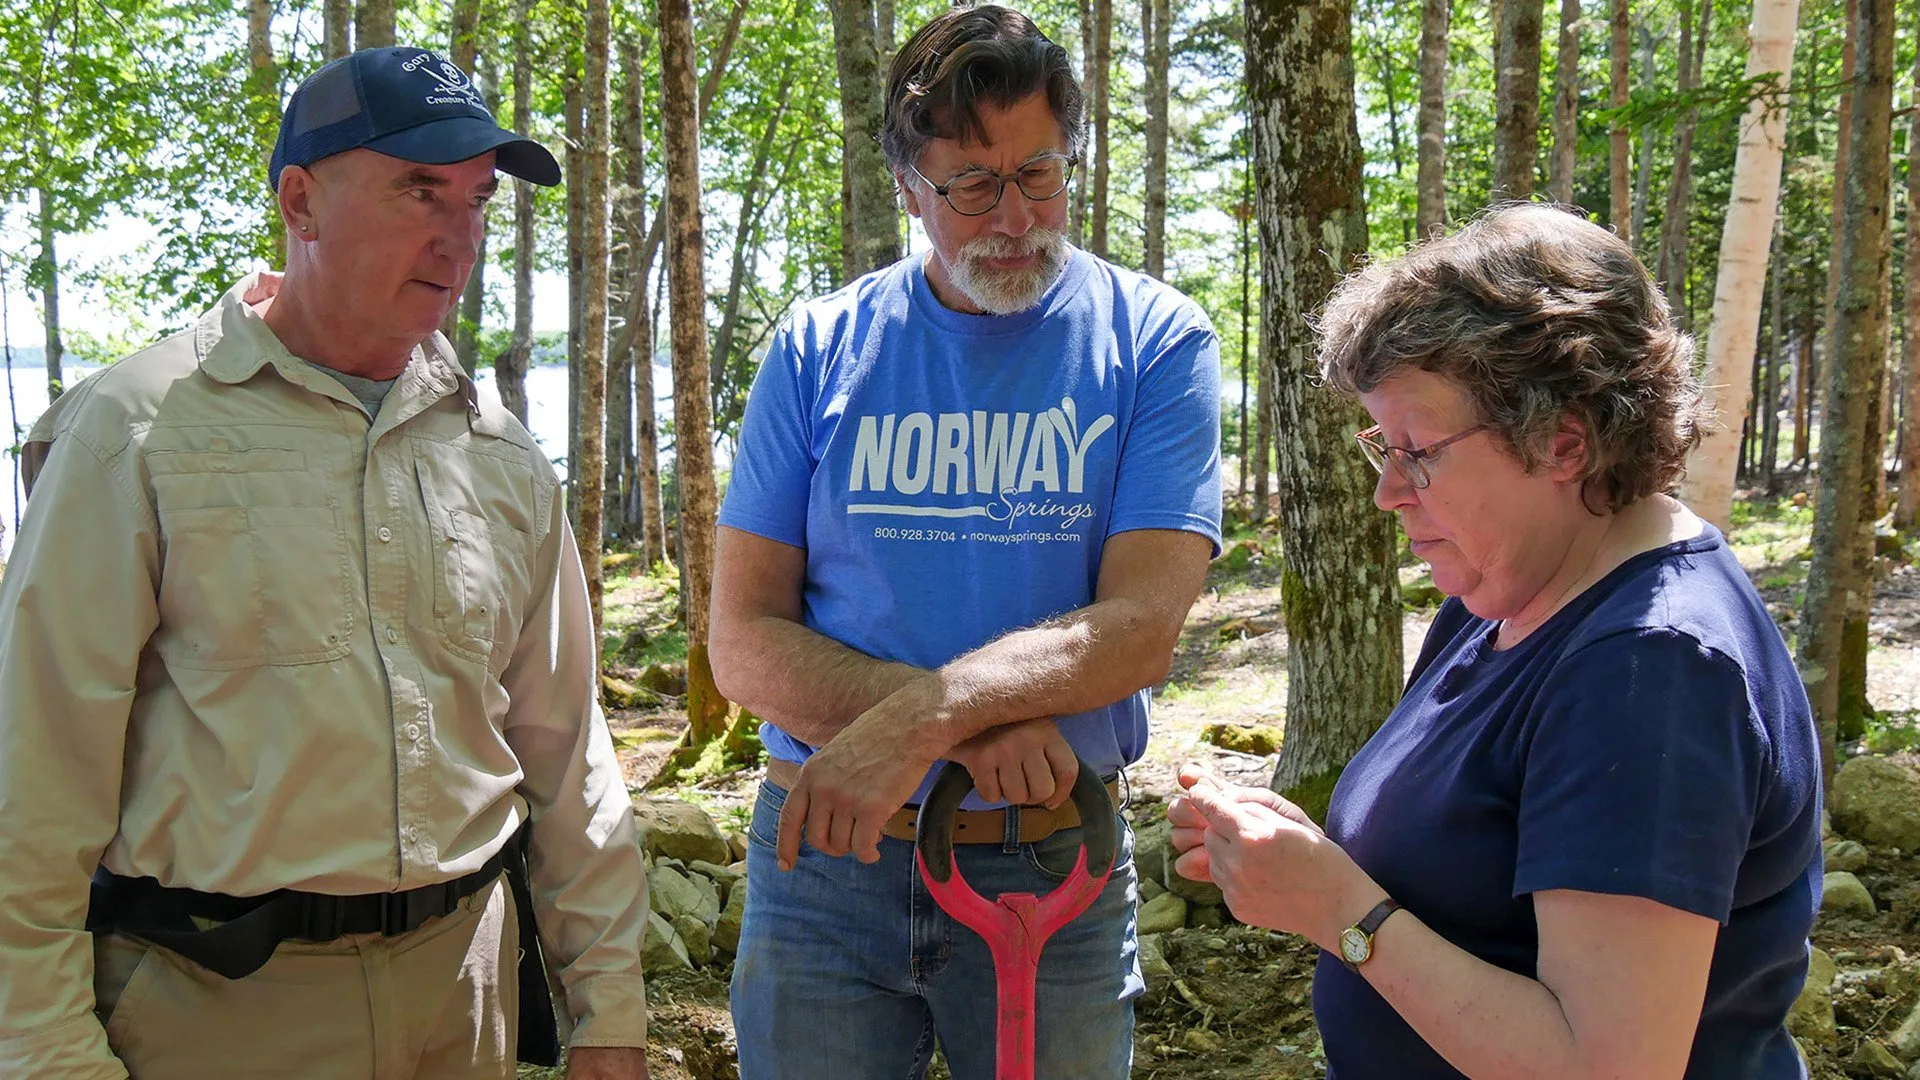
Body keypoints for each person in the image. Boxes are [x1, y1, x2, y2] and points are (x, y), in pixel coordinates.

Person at [0, 47, 650, 1080]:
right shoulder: (138, 430)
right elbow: (35, 767)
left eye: (478, 201)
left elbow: (569, 753)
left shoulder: (499, 451)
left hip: (464, 999)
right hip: (217, 1011)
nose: (459, 234)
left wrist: (608, 1012)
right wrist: (45, 1048)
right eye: (418, 190)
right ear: (300, 203)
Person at [1169, 203, 1823, 1079]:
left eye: (1419, 451)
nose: (1389, 493)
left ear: (1562, 442)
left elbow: (1609, 1068)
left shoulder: (1650, 670)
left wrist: (1342, 913)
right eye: (1381, 447)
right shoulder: (1500, 601)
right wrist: (1308, 862)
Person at [708, 6, 1222, 1077]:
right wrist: (964, 736)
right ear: (909, 190)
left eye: (1038, 173)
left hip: (1054, 865)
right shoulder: (816, 351)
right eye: (972, 186)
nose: (1015, 216)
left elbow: (1137, 629)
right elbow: (744, 645)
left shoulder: (1157, 341)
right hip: (827, 870)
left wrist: (929, 718)